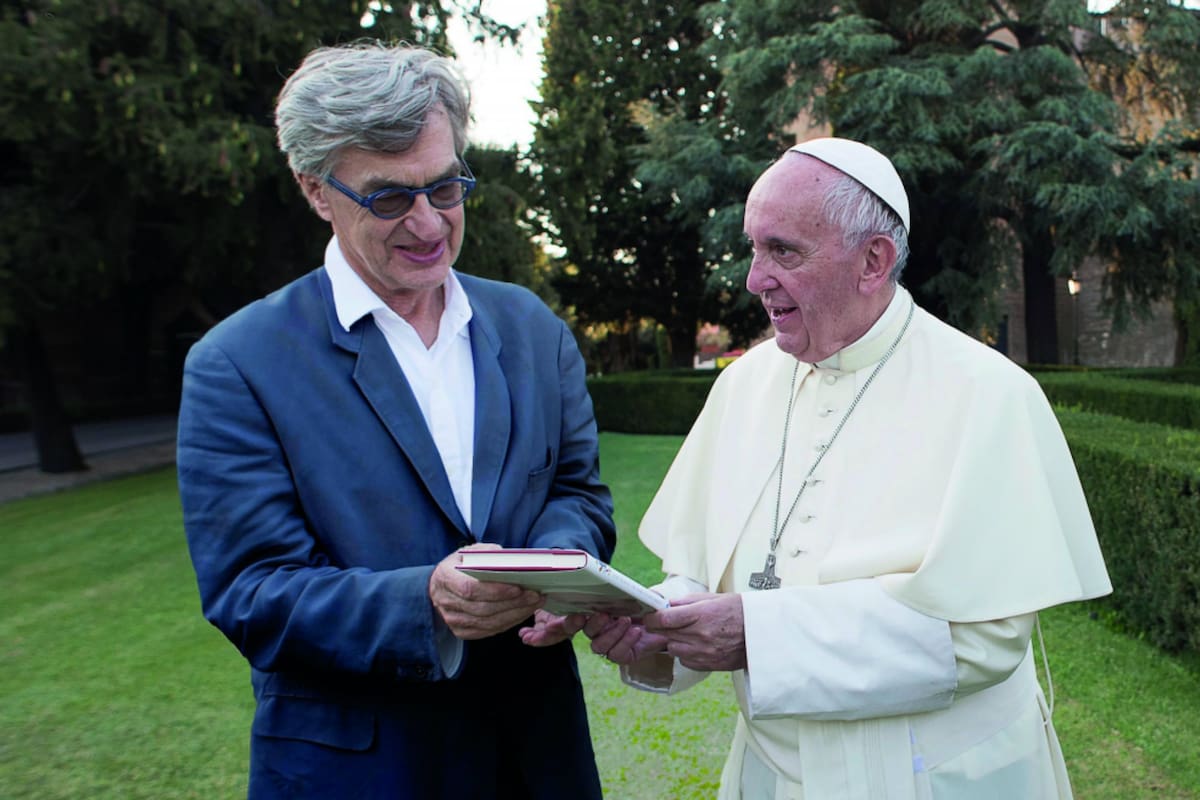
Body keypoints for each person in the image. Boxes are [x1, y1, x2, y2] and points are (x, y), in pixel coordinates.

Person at [581, 138, 1112, 799]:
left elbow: (984, 639)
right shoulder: (743, 385)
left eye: (783, 251)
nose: (754, 279)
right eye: (753, 248)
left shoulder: (988, 394)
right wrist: (660, 631)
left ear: (873, 260)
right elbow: (704, 566)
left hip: (937, 778)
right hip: (771, 775)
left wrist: (755, 635)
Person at [176, 42, 615, 800]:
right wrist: (426, 603)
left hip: (536, 756)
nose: (428, 224)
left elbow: (577, 494)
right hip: (359, 770)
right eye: (389, 198)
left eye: (446, 188)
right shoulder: (237, 363)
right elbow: (252, 592)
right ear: (317, 191)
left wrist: (553, 569)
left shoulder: (532, 327)